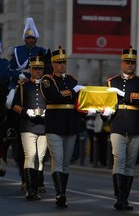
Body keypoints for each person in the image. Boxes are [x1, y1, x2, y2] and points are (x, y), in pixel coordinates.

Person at [40, 46, 85, 208]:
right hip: (54, 123)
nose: (62, 65)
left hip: (70, 123)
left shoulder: (72, 80)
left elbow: (78, 103)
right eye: (59, 63)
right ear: (53, 64)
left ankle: (63, 192)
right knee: (57, 159)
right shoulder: (47, 80)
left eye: (64, 62)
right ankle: (59, 193)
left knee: (66, 162)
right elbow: (53, 97)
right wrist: (73, 91)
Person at [106, 46, 139, 210]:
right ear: (122, 63)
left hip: (135, 124)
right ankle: (118, 197)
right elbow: (108, 103)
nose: (130, 65)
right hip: (118, 124)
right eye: (127, 62)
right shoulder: (112, 81)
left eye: (132, 62)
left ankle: (125, 198)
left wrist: (124, 96)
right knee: (119, 160)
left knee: (130, 164)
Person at [7, 17, 47, 192]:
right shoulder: (16, 51)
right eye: (28, 38)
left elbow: (47, 68)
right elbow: (10, 68)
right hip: (21, 82)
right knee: (9, 101)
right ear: (24, 38)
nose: (30, 40)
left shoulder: (42, 51)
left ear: (36, 39)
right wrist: (19, 76)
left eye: (32, 38)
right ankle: (10, 129)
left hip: (38, 83)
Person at [11, 54, 47, 200]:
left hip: (44, 126)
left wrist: (47, 112)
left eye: (40, 69)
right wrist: (27, 111)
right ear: (30, 70)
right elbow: (14, 105)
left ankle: (37, 185)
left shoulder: (48, 84)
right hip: (28, 126)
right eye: (35, 69)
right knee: (30, 155)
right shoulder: (23, 85)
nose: (38, 71)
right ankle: (30, 188)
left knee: (41, 157)